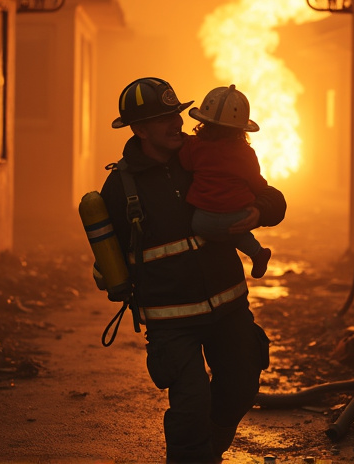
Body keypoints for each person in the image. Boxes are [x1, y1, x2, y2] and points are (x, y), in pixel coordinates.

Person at [98, 77, 287, 463]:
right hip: (172, 320)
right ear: (139, 129)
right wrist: (106, 274)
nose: (176, 124)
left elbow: (271, 197)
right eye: (162, 118)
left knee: (240, 388)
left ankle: (208, 450)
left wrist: (258, 211)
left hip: (229, 309)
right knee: (191, 405)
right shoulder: (119, 187)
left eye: (176, 114)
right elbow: (109, 259)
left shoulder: (204, 157)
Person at [178, 84, 272, 279]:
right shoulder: (246, 153)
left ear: (203, 122)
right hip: (237, 214)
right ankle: (257, 253)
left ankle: (226, 244)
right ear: (240, 130)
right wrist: (259, 207)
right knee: (238, 232)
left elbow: (185, 164)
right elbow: (255, 181)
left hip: (203, 220)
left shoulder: (194, 146)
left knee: (200, 228)